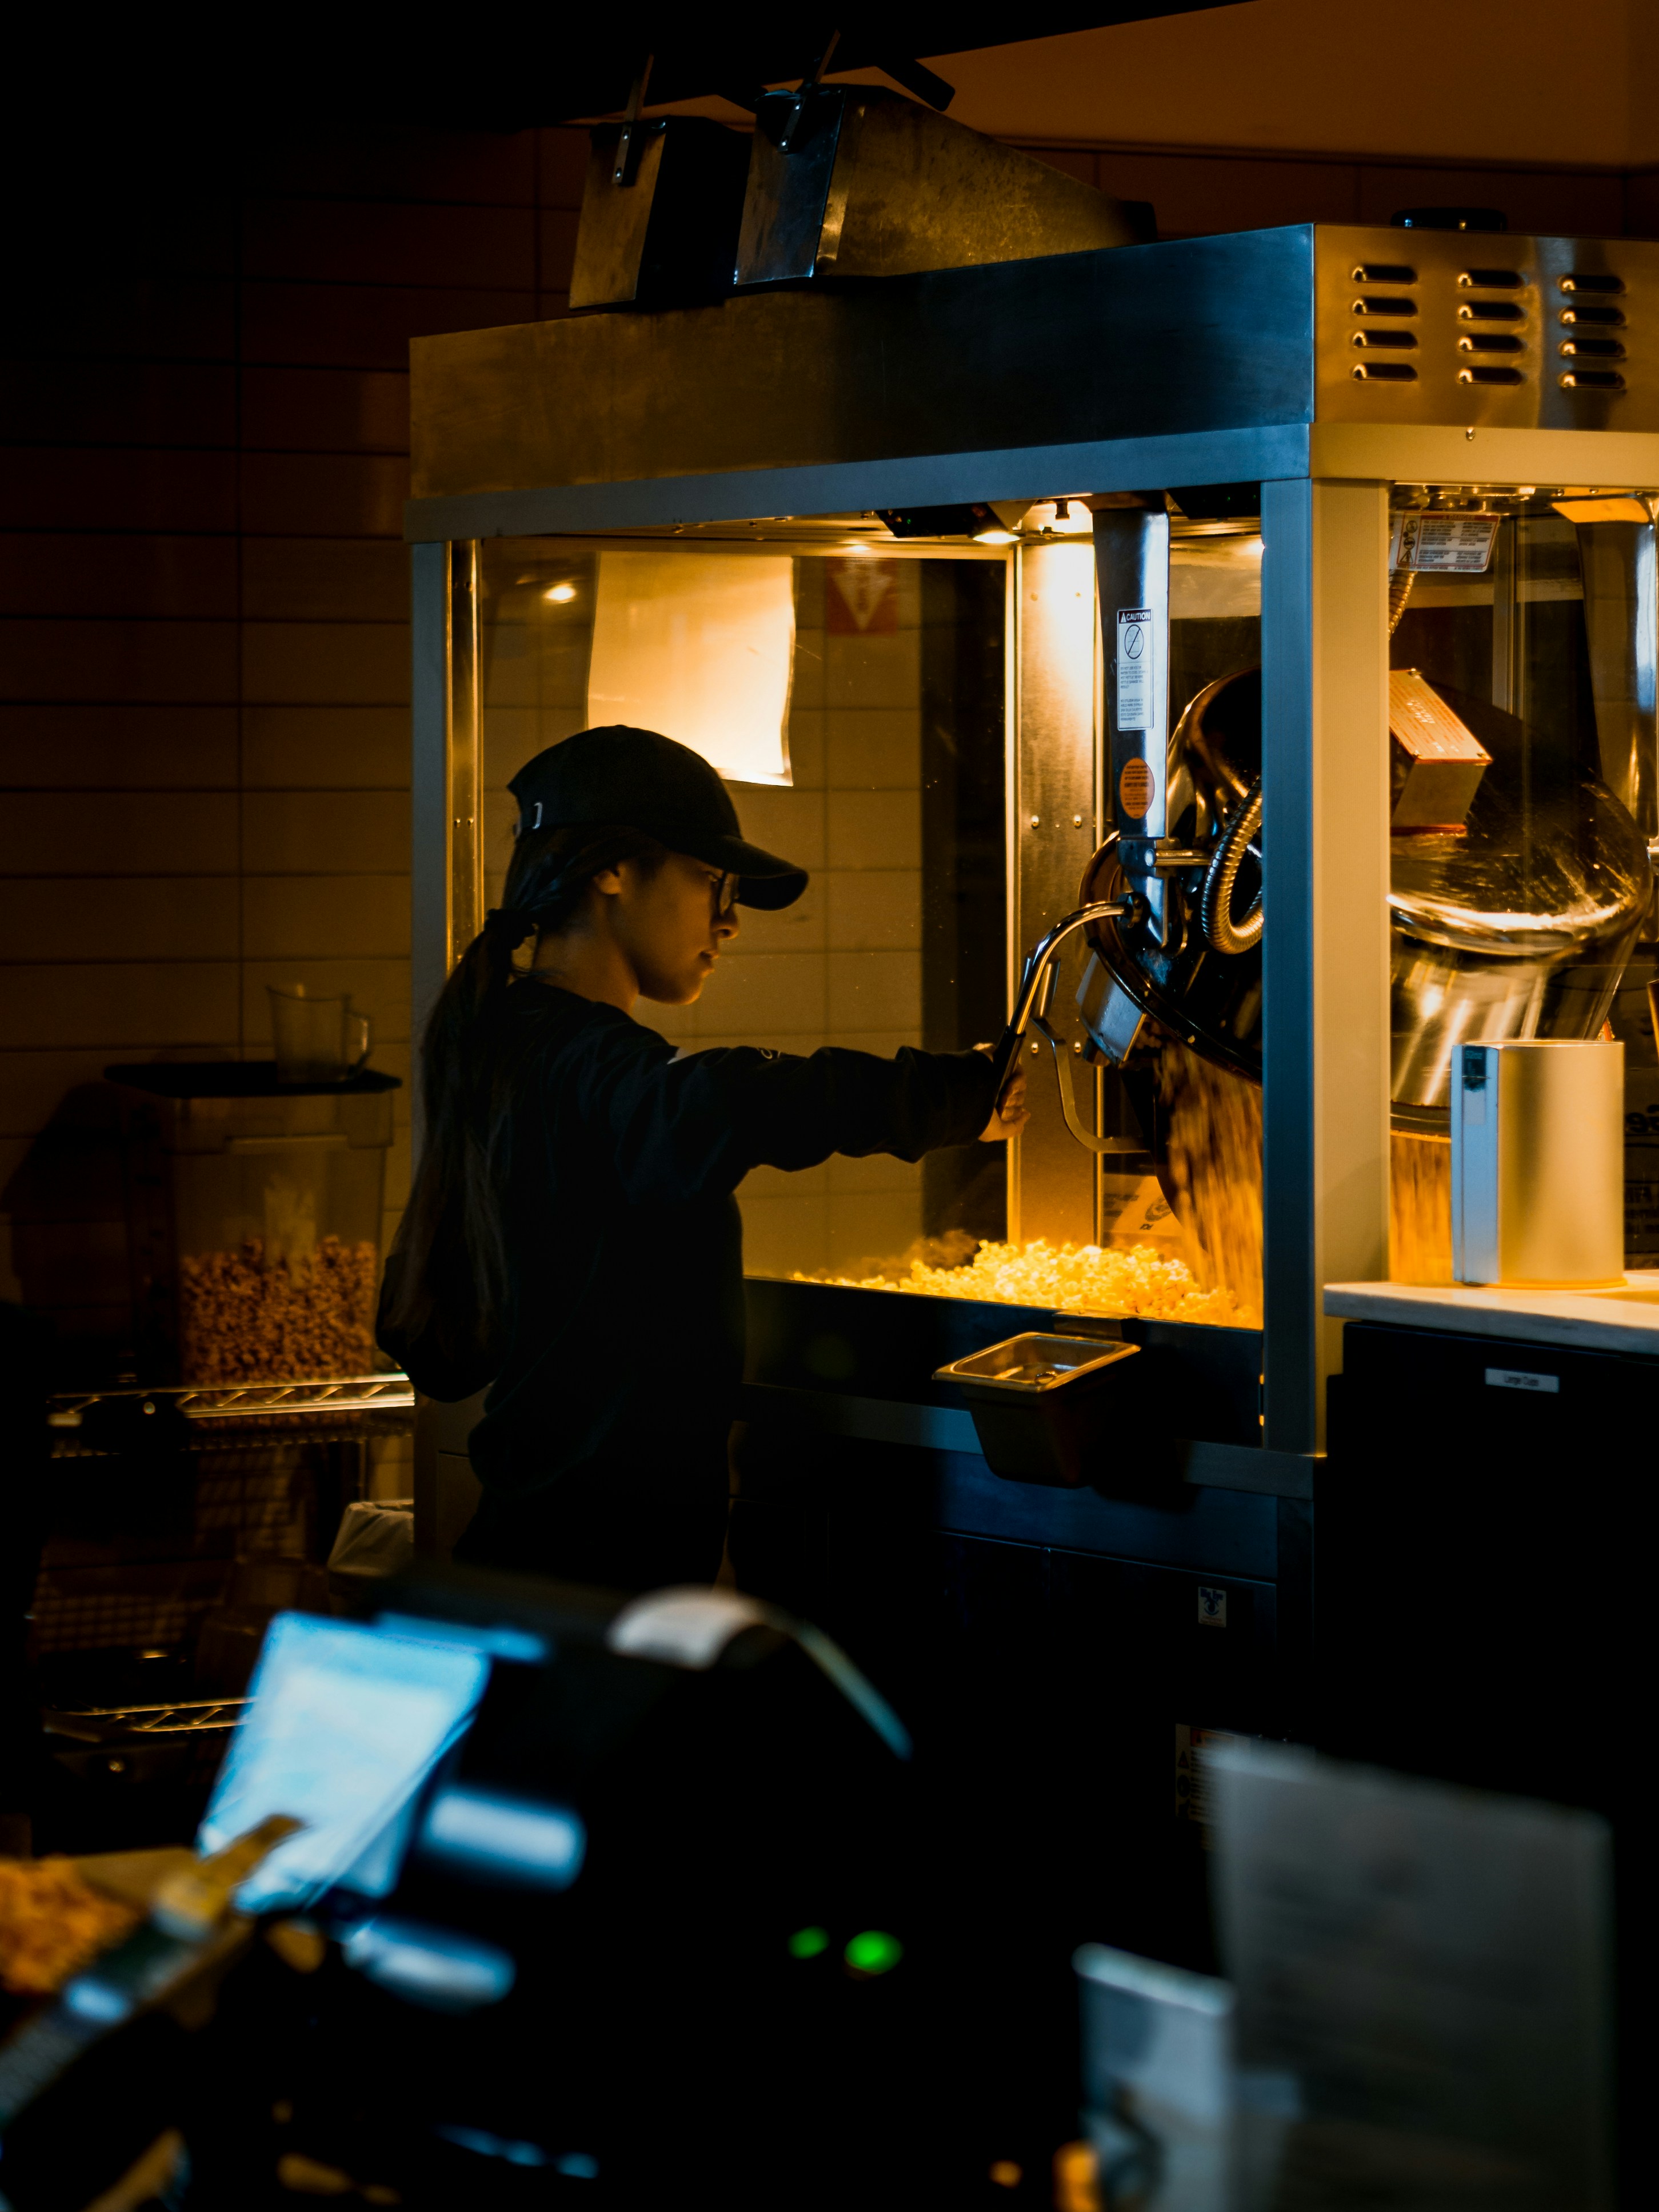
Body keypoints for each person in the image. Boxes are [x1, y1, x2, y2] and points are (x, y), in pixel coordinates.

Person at [378, 726, 1026, 1591]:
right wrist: (953, 1097)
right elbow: (721, 1102)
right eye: (710, 882)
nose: (727, 922)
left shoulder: (515, 1040)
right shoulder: (580, 1062)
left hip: (556, 1547)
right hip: (588, 1566)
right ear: (612, 872)